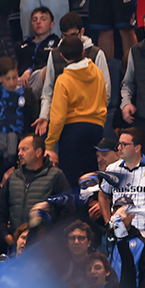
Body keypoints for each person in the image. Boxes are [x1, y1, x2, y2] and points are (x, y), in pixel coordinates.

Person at [49, 36, 108, 184]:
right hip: (96, 128)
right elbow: (104, 98)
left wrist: (49, 145)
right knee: (93, 175)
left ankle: (74, 208)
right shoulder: (97, 72)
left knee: (71, 178)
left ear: (62, 56)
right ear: (83, 51)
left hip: (72, 131)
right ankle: (94, 205)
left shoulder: (63, 80)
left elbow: (58, 117)